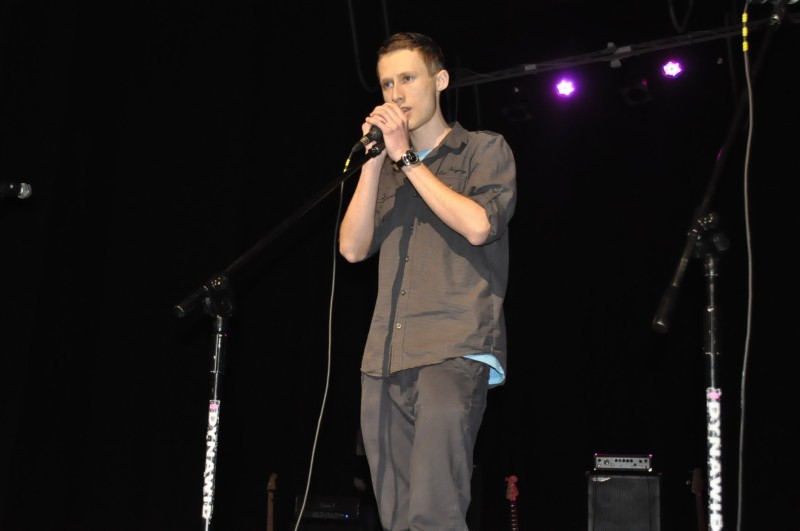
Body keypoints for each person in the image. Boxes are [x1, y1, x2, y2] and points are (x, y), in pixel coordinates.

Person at [339, 31, 517, 531]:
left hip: (452, 349)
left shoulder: (483, 148)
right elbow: (352, 248)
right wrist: (376, 163)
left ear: (439, 81)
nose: (395, 94)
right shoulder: (389, 170)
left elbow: (479, 225)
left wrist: (408, 160)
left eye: (407, 79)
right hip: (384, 358)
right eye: (386, 84)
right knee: (396, 516)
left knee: (434, 512)